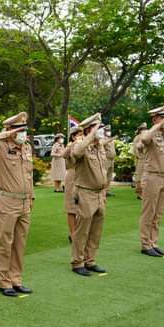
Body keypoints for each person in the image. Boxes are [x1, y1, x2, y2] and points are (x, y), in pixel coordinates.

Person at [0, 112, 34, 297]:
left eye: (24, 130)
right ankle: (4, 282)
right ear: (11, 131)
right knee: (5, 242)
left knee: (20, 243)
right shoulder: (1, 146)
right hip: (8, 200)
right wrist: (4, 135)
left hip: (25, 201)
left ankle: (16, 279)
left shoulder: (26, 147)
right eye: (20, 130)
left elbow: (29, 174)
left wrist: (31, 197)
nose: (23, 134)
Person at [69, 113, 109, 276]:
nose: (101, 130)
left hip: (99, 193)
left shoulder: (99, 146)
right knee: (82, 231)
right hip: (85, 192)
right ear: (89, 130)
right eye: (97, 128)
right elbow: (76, 152)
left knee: (95, 231)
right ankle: (77, 262)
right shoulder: (80, 145)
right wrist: (90, 135)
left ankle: (90, 260)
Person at [138, 105, 164, 257]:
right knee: (148, 212)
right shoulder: (149, 133)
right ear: (155, 119)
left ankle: (153, 242)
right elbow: (144, 139)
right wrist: (158, 125)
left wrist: (162, 127)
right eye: (163, 117)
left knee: (158, 213)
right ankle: (145, 244)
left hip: (163, 177)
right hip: (152, 176)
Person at [63, 126, 83, 242]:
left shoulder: (84, 145)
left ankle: (80, 232)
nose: (81, 136)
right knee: (71, 208)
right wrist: (74, 143)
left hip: (83, 177)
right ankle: (73, 234)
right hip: (72, 177)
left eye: (82, 134)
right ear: (73, 136)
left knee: (82, 207)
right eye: (78, 134)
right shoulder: (70, 145)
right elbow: (64, 155)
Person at [132, 123, 147, 199]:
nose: (145, 130)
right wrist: (139, 157)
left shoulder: (145, 136)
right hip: (141, 159)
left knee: (145, 177)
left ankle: (144, 192)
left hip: (146, 159)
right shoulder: (138, 137)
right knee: (140, 176)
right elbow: (136, 149)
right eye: (144, 129)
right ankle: (140, 193)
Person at [103, 126, 117, 197]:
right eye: (107, 130)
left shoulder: (111, 140)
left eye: (109, 130)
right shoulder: (103, 139)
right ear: (104, 131)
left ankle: (107, 190)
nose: (109, 132)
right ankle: (103, 191)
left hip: (112, 160)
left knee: (109, 176)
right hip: (106, 159)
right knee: (104, 175)